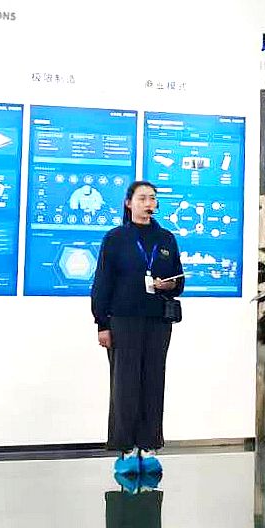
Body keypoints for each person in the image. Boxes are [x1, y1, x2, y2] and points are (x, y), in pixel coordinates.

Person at [92, 181, 185, 478]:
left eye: (152, 199)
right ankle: (126, 447)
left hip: (157, 320)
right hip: (123, 320)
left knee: (153, 381)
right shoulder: (116, 238)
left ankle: (149, 445)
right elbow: (102, 282)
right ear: (129, 203)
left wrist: (170, 285)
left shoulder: (166, 239)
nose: (148, 203)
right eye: (142, 198)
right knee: (125, 384)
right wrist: (102, 323)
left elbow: (179, 281)